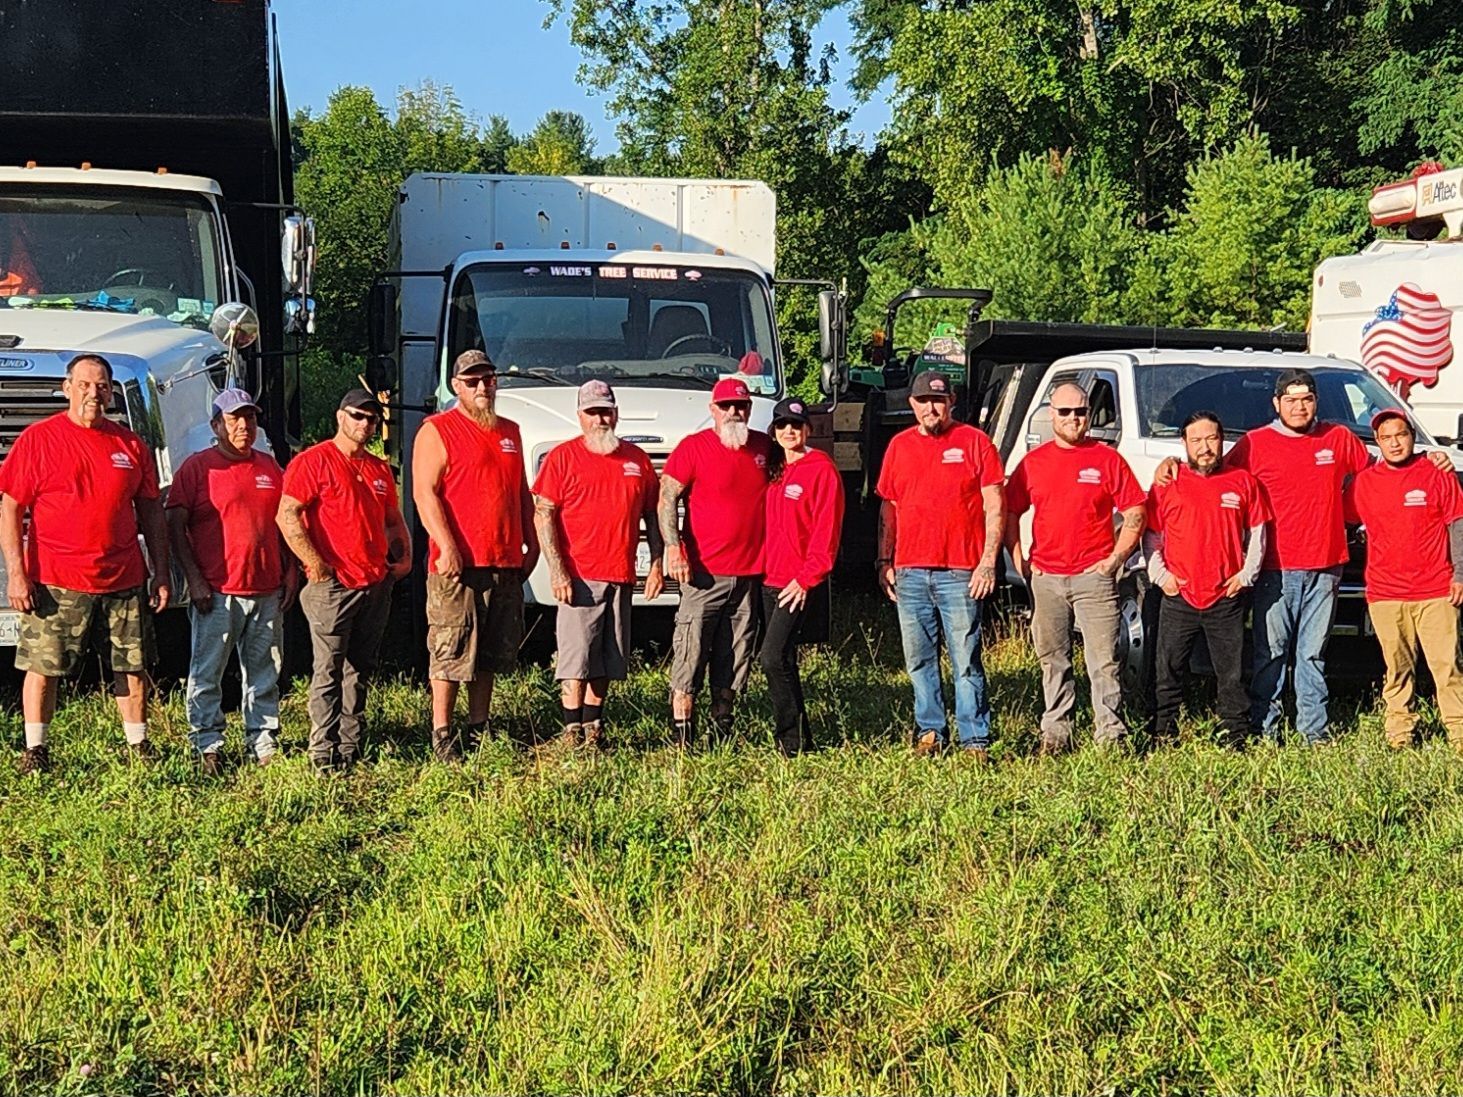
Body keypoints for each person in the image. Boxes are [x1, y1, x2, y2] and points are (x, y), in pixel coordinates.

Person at [0, 353, 171, 773]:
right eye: (85, 384)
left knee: (130, 666)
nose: (94, 393)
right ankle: (36, 750)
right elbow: (10, 508)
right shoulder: (39, 439)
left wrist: (161, 572)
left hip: (123, 576)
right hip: (56, 579)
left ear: (111, 392)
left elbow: (150, 510)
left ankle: (138, 747)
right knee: (44, 667)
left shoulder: (130, 445)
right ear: (67, 388)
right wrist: (17, 575)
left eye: (101, 386)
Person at [1005, 381, 1145, 754]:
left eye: (1080, 411)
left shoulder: (1107, 459)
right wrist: (1019, 559)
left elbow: (1135, 510)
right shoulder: (1033, 464)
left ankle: (1111, 735)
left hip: (1094, 578)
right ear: (1051, 415)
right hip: (1046, 577)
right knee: (1053, 660)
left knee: (1104, 662)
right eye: (1064, 411)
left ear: (1089, 415)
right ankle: (1056, 733)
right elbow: (1009, 512)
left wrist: (1115, 559)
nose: (1073, 419)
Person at [412, 349, 538, 761]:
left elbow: (520, 492)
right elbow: (423, 493)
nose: (482, 387)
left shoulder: (511, 431)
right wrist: (446, 546)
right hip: (458, 564)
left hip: (503, 559)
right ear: (456, 387)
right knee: (451, 648)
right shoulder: (438, 429)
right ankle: (442, 732)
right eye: (472, 381)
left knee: (490, 652)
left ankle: (478, 727)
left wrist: (531, 541)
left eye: (488, 379)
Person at [278, 388, 412, 774]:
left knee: (361, 668)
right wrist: (315, 566)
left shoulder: (378, 467)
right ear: (341, 417)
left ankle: (352, 745)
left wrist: (403, 556)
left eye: (371, 418)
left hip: (374, 582)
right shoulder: (313, 462)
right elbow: (287, 515)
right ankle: (322, 750)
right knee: (328, 670)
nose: (365, 424)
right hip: (333, 585)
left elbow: (391, 518)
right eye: (358, 416)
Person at [167, 389, 297, 774]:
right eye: (234, 419)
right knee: (206, 671)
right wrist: (194, 579)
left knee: (265, 671)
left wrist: (290, 571)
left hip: (267, 589)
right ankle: (207, 743)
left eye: (250, 419)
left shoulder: (270, 467)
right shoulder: (198, 468)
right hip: (218, 591)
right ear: (216, 426)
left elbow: (285, 523)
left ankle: (263, 740)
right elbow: (175, 525)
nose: (244, 426)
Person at [875, 371, 1004, 759]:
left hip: (961, 571)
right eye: (922, 401)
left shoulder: (975, 442)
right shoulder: (898, 446)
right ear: (911, 404)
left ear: (951, 402)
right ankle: (931, 731)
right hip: (911, 569)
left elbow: (995, 504)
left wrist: (987, 563)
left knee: (965, 659)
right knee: (918, 659)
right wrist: (884, 559)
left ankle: (974, 738)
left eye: (938, 400)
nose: (931, 408)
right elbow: (889, 506)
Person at [532, 379, 663, 748]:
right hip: (579, 576)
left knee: (609, 656)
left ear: (616, 414)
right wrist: (558, 571)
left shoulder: (636, 460)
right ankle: (570, 729)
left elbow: (652, 514)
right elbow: (544, 514)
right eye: (592, 413)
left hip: (620, 574)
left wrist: (655, 563)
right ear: (580, 417)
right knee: (577, 657)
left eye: (606, 411)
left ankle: (594, 726)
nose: (600, 419)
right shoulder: (563, 457)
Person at [1144, 411, 1270, 748]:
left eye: (1211, 439)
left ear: (1222, 440)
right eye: (1196, 440)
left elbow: (1257, 533)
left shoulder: (1243, 482)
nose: (1205, 447)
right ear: (1183, 443)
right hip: (1179, 594)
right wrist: (1161, 577)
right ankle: (1163, 732)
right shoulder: (1167, 484)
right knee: (1167, 669)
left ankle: (1234, 734)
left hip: (1225, 596)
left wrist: (1246, 576)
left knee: (1230, 673)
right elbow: (1152, 536)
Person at [660, 375, 771, 745]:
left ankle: (722, 728)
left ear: (750, 409)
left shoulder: (764, 448)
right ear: (713, 410)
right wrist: (673, 548)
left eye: (740, 406)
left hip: (750, 573)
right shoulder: (694, 447)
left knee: (737, 655)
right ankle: (682, 734)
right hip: (703, 573)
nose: (734, 412)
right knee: (691, 651)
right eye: (726, 406)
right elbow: (666, 497)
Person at [1344, 409, 1463, 752]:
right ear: (1378, 443)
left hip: (1437, 589)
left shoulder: (1437, 473)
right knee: (1396, 669)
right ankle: (1400, 735)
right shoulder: (1365, 483)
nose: (1395, 443)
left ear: (1412, 436)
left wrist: (1460, 574)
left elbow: (1457, 524)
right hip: (1385, 593)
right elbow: (1339, 520)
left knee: (1447, 666)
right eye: (1387, 438)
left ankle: (1457, 733)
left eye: (1401, 435)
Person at [761, 397, 844, 756]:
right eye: (782, 425)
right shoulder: (773, 469)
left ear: (808, 429)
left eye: (796, 425)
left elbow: (827, 532)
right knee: (786, 659)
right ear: (774, 431)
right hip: (767, 577)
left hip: (797, 582)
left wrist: (808, 578)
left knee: (770, 656)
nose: (789, 431)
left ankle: (788, 739)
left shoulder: (821, 470)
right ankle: (801, 739)